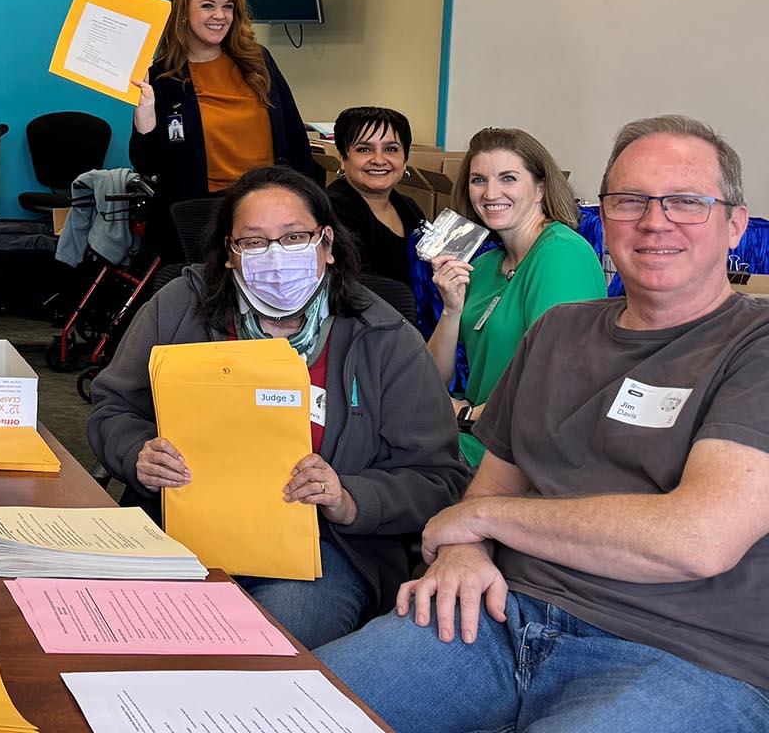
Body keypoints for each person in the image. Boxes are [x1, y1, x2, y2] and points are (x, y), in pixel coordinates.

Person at [318, 115, 769, 732]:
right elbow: (492, 484)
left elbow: (698, 540)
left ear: (735, 224)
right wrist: (464, 552)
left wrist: (477, 521)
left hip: (680, 656)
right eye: (630, 200)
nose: (655, 220)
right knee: (289, 709)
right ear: (602, 216)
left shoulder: (756, 346)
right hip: (499, 618)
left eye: (686, 202)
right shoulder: (560, 332)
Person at [88, 166, 468, 648]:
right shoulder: (179, 306)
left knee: (258, 647)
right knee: (116, 634)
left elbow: (439, 477)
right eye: (253, 242)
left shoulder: (384, 336)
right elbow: (112, 408)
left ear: (326, 245)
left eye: (294, 238)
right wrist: (137, 452)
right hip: (177, 528)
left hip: (324, 549)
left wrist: (349, 497)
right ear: (229, 253)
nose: (275, 257)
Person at [426, 127, 604, 465]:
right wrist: (451, 310)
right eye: (478, 180)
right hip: (480, 439)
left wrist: (466, 415)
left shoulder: (561, 254)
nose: (491, 192)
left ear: (540, 188)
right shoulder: (485, 265)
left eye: (508, 178)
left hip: (524, 451)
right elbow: (433, 380)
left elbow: (555, 380)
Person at [129, 0, 319, 260]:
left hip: (270, 213)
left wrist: (311, 207)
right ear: (182, 12)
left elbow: (294, 137)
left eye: (227, 7)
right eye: (208, 6)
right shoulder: (162, 76)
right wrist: (145, 120)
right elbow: (148, 164)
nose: (220, 16)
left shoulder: (257, 61)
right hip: (200, 218)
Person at [325, 106, 427, 288]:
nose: (379, 160)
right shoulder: (331, 211)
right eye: (364, 149)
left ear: (405, 159)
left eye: (391, 149)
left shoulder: (409, 208)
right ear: (342, 157)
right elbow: (358, 289)